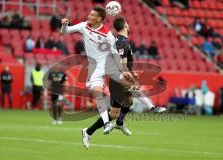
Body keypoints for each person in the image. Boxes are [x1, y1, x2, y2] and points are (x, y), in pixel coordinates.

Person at [61, 6, 161, 135]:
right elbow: (66, 31)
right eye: (90, 13)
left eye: (92, 15)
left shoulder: (107, 34)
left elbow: (115, 54)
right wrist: (64, 25)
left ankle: (151, 107)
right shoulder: (83, 26)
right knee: (98, 92)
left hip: (108, 65)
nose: (89, 16)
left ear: (99, 18)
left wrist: (123, 70)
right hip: (94, 68)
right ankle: (106, 124)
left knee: (129, 84)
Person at [82, 16, 166, 149]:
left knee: (123, 106)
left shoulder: (124, 41)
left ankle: (90, 131)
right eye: (127, 23)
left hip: (120, 76)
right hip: (117, 78)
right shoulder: (120, 42)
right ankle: (152, 108)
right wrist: (130, 76)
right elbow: (120, 62)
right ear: (126, 25)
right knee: (132, 91)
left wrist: (132, 72)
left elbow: (126, 62)